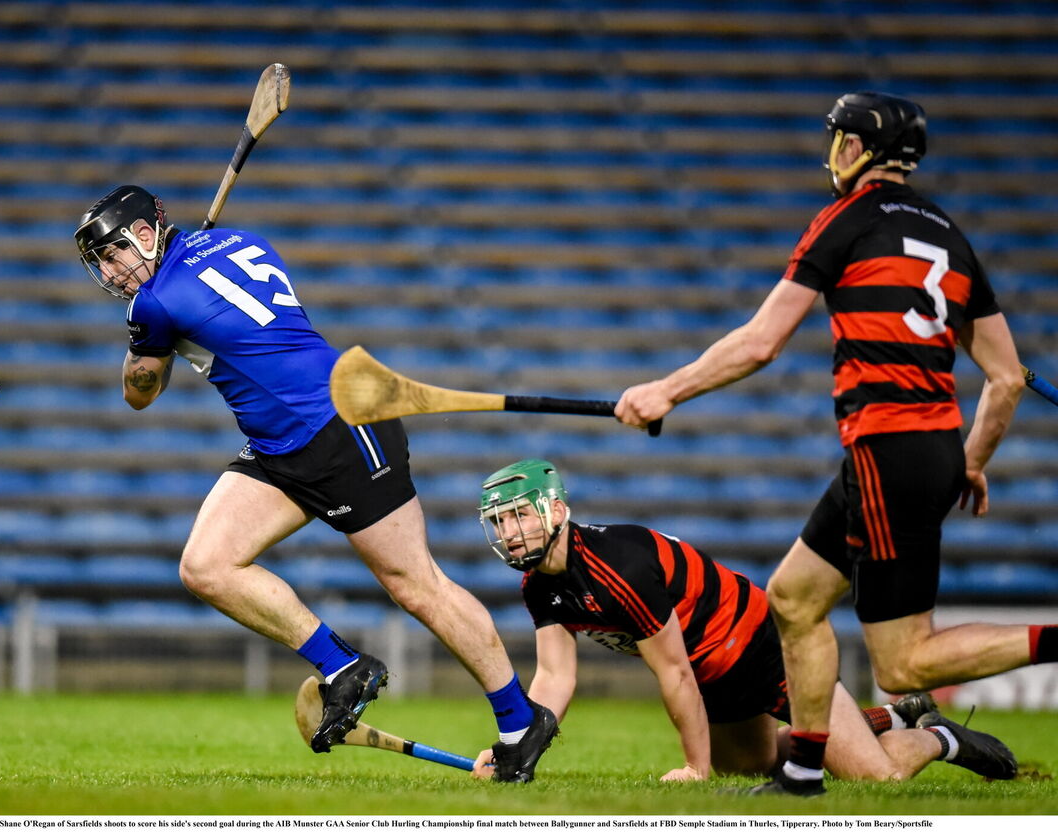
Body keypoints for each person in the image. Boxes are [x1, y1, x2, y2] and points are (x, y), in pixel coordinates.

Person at [615, 91, 1057, 795]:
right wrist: (969, 462)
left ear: (860, 148)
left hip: (887, 446)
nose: (835, 153)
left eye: (841, 140)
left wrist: (666, 389)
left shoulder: (845, 220)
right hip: (925, 448)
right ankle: (800, 771)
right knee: (791, 597)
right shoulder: (950, 235)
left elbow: (761, 341)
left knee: (905, 664)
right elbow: (1004, 378)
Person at [73, 185, 557, 782]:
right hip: (280, 444)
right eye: (99, 263)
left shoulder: (151, 306)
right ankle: (341, 666)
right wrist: (165, 315)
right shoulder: (236, 239)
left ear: (147, 234)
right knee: (207, 565)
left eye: (112, 254)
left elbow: (138, 394)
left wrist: (149, 339)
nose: (109, 271)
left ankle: (520, 721)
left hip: (339, 427)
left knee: (416, 585)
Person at [469, 459, 1016, 786]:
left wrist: (693, 767)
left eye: (519, 514)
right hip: (716, 674)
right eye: (500, 521)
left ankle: (939, 737)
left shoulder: (618, 569)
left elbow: (676, 674)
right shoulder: (539, 584)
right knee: (754, 769)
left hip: (765, 648)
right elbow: (556, 676)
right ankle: (889, 718)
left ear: (557, 509)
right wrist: (520, 741)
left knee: (879, 777)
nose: (510, 531)